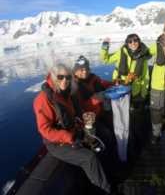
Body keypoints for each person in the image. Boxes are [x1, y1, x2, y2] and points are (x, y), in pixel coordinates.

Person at [33, 64, 121, 195]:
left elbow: (79, 114)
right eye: (60, 77)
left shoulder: (69, 93)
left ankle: (111, 174)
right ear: (53, 77)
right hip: (59, 143)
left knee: (98, 146)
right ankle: (106, 190)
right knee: (89, 157)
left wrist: (95, 101)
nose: (64, 80)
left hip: (75, 134)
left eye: (67, 77)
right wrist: (70, 137)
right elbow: (45, 130)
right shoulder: (43, 99)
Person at [100, 34, 151, 152]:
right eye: (130, 41)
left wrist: (143, 94)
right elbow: (106, 59)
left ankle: (137, 143)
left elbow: (145, 77)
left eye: (135, 40)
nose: (133, 43)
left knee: (135, 118)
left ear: (139, 41)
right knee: (121, 116)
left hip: (136, 91)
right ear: (127, 43)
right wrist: (105, 47)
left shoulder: (143, 57)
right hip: (121, 90)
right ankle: (124, 143)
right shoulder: (121, 52)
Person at [73, 55, 122, 172]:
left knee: (118, 123)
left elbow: (104, 84)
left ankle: (118, 148)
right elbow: (80, 109)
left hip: (100, 112)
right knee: (106, 133)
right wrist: (95, 99)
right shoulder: (74, 87)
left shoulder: (93, 78)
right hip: (89, 120)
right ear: (75, 71)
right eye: (81, 70)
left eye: (86, 69)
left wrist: (117, 83)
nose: (84, 72)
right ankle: (112, 159)